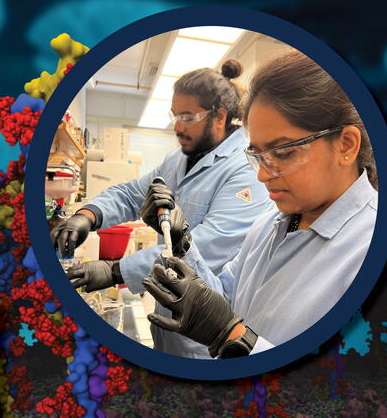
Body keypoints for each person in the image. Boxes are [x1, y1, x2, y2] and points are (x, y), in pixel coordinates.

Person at [141, 51, 378, 358]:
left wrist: (232, 337)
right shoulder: (271, 223)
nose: (264, 175)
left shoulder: (371, 249)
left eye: (283, 153)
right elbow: (226, 298)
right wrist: (182, 245)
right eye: (257, 156)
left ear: (346, 145)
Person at [50, 59, 271, 357]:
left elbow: (205, 246)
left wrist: (116, 271)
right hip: (167, 311)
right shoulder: (178, 159)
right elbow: (131, 194)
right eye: (175, 115)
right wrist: (87, 216)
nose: (177, 126)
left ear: (219, 116)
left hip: (208, 333)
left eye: (188, 116)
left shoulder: (245, 170)